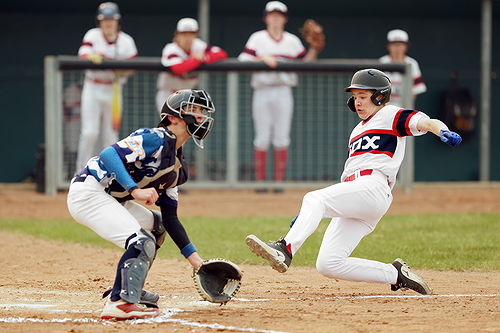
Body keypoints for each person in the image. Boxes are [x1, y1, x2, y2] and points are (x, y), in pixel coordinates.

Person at [245, 69, 462, 295]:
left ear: (379, 96)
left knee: (313, 197)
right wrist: (309, 214)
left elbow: (426, 121)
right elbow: (347, 183)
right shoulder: (357, 130)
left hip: (374, 186)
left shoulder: (390, 114)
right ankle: (395, 274)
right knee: (328, 263)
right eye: (355, 97)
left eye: (363, 96)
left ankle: (285, 249)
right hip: (360, 194)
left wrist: (442, 130)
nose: (357, 102)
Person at [67, 89, 216, 319]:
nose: (200, 116)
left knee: (156, 227)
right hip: (88, 192)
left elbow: (170, 218)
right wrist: (134, 190)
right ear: (173, 118)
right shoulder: (154, 138)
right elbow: (108, 154)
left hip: (111, 198)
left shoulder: (178, 168)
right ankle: (120, 303)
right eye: (193, 110)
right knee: (140, 240)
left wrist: (197, 262)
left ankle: (129, 289)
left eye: (201, 111)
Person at [238, 1, 320, 191]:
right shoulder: (257, 38)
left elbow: (306, 63)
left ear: (284, 18)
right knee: (262, 137)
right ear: (266, 18)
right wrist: (262, 58)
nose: (275, 18)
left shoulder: (291, 40)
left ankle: (278, 182)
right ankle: (261, 183)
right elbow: (243, 59)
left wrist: (314, 48)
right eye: (272, 15)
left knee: (282, 137)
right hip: (262, 90)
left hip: (284, 90)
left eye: (279, 15)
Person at [76, 2, 138, 170]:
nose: (108, 23)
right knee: (89, 133)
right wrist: (93, 56)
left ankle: (110, 174)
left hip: (114, 89)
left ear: (117, 21)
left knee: (110, 136)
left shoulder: (126, 40)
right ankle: (81, 172)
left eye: (111, 19)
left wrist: (120, 69)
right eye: (105, 20)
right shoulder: (93, 35)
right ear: (100, 21)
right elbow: (83, 54)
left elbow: (134, 65)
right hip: (93, 87)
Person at [156, 18, 227, 113]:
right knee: (172, 125)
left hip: (187, 95)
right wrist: (197, 59)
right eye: (184, 34)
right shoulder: (171, 49)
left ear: (196, 35)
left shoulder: (198, 45)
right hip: (169, 94)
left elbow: (221, 54)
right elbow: (178, 68)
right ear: (177, 35)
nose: (188, 37)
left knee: (189, 126)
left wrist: (205, 57)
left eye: (191, 34)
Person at [379, 29, 426, 107]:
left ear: (406, 46)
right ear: (388, 46)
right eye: (394, 44)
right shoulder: (382, 62)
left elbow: (416, 90)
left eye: (400, 44)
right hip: (385, 106)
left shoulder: (412, 63)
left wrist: (406, 107)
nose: (397, 48)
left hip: (404, 106)